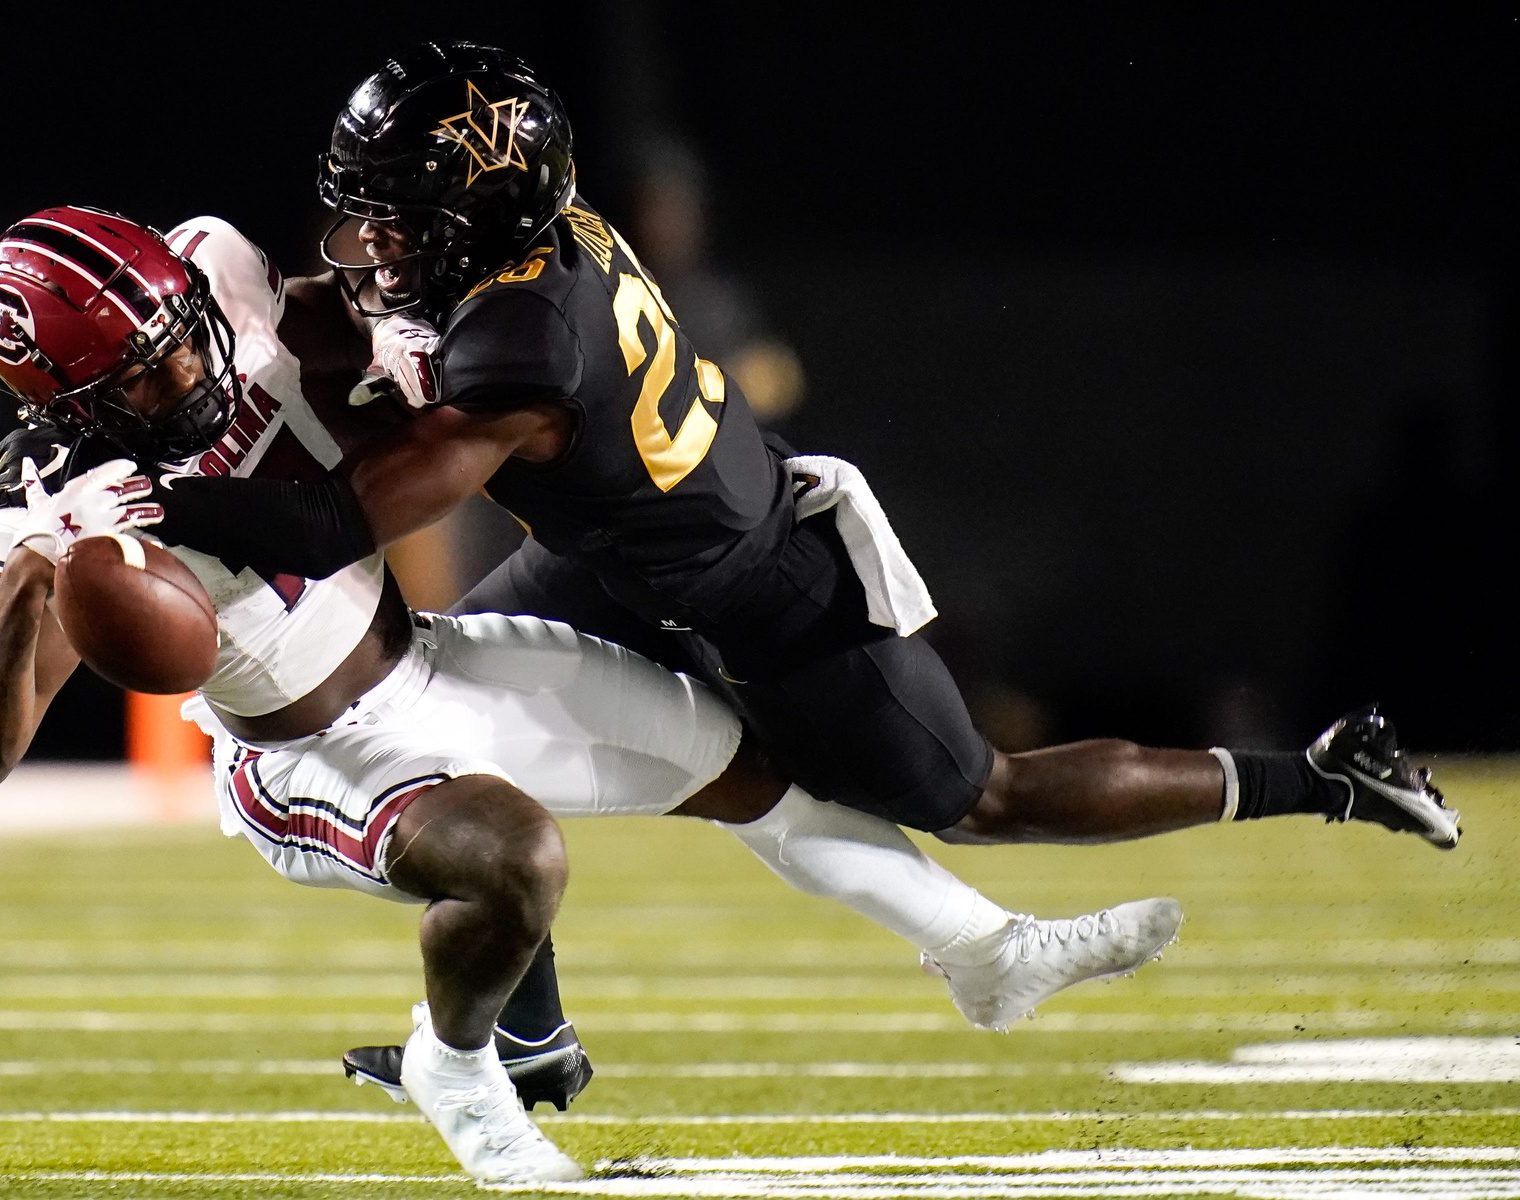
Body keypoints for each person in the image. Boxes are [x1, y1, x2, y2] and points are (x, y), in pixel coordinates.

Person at [130, 41, 1460, 1107]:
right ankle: (517, 1052)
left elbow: (337, 519)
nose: (373, 238)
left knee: (978, 796)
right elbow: (360, 318)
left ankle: (1326, 773)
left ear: (470, 219)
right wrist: (218, 331)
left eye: (397, 217)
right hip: (616, 557)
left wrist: (170, 489)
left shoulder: (518, 341)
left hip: (756, 584)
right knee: (448, 729)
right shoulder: (515, 254)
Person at [0, 206, 1181, 1184]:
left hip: (428, 657)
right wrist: (35, 584)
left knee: (749, 769)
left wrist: (385, 351)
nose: (186, 373)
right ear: (70, 403)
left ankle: (984, 952)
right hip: (313, 757)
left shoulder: (223, 284)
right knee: (513, 855)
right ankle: (460, 1066)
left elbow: (305, 336)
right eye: (145, 380)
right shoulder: (52, 514)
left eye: (179, 337)